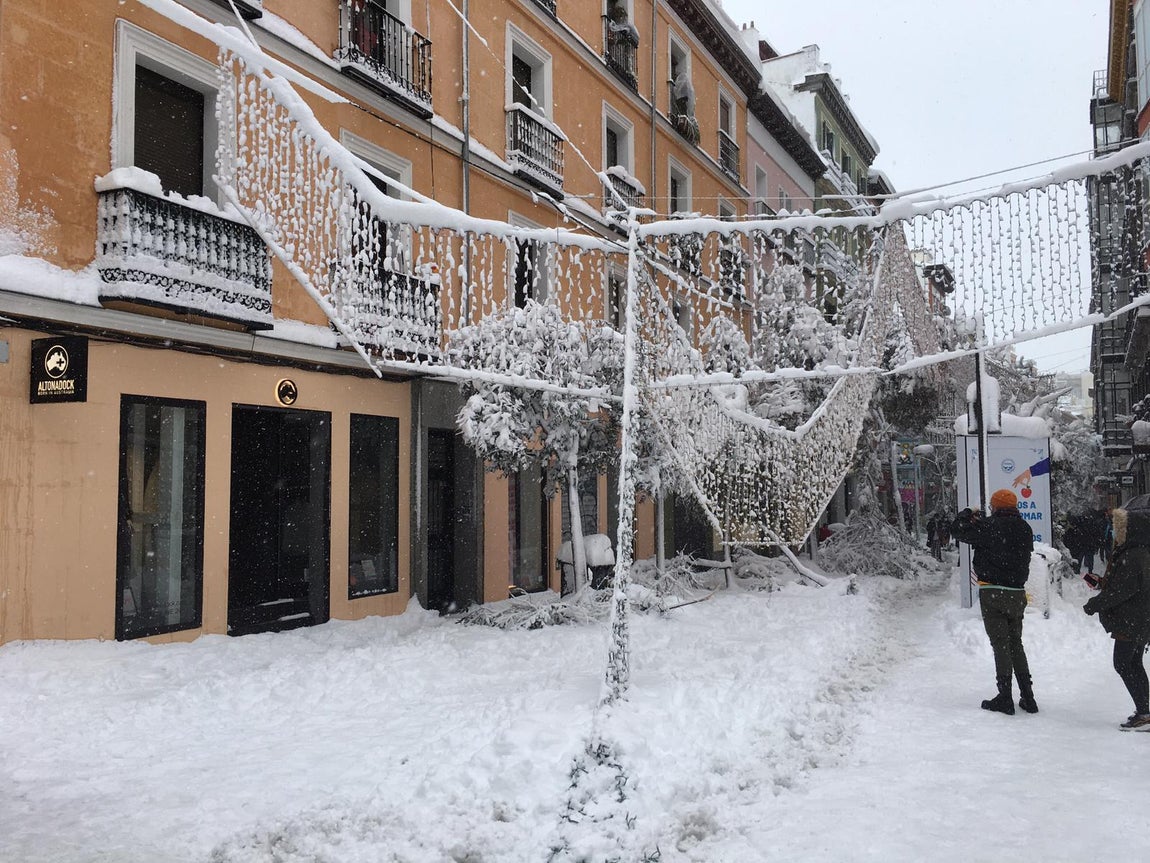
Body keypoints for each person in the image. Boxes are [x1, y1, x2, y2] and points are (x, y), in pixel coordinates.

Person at [951, 489, 1037, 715]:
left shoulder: (988, 526)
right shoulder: (1025, 528)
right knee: (1016, 643)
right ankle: (1028, 696)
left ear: (995, 506)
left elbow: (957, 530)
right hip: (1017, 592)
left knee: (1001, 644)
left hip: (993, 592)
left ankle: (1005, 697)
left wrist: (968, 513)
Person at [1083, 498, 1150, 731]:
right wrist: (1102, 582)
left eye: (1118, 527)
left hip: (1131, 619)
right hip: (1140, 618)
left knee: (1123, 663)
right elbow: (1125, 584)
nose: (1114, 532)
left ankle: (1144, 714)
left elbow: (1123, 590)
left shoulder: (1133, 555)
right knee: (1134, 663)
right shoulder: (1139, 552)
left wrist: (1095, 604)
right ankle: (1144, 711)